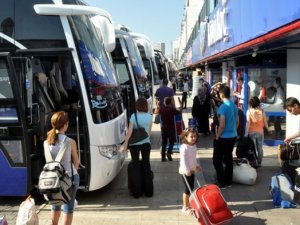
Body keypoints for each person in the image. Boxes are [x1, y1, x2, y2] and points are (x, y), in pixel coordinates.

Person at [44, 111, 80, 225]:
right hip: (69, 178)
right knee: (68, 208)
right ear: (65, 125)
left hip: (53, 180)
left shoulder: (46, 143)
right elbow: (77, 162)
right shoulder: (70, 142)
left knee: (55, 207)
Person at [213, 85, 238, 188]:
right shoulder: (234, 105)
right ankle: (229, 181)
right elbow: (237, 122)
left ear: (221, 95)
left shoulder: (223, 107)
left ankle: (221, 182)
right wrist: (234, 131)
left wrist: (217, 136)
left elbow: (222, 124)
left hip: (223, 137)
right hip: (233, 136)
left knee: (217, 160)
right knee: (228, 158)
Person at [123, 97, 153, 172]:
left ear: (137, 106)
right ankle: (148, 183)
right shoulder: (150, 117)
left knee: (135, 165)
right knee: (146, 165)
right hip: (146, 143)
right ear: (146, 106)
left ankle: (137, 183)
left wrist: (125, 146)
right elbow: (148, 133)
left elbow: (129, 133)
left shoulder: (134, 116)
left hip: (134, 144)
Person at [179, 128, 201, 214]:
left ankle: (187, 204)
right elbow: (183, 160)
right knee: (187, 189)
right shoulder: (184, 147)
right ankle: (185, 207)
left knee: (191, 187)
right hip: (185, 172)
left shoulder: (193, 146)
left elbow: (193, 158)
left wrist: (197, 166)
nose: (194, 138)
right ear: (185, 137)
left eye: (195, 136)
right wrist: (187, 170)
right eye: (191, 137)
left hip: (192, 170)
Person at [244, 96, 269, 166]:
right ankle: (259, 162)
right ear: (258, 103)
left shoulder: (248, 111)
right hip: (260, 132)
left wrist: (245, 134)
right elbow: (265, 122)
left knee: (253, 148)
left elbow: (248, 123)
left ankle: (254, 162)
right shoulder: (262, 111)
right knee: (260, 148)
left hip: (251, 132)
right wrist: (268, 129)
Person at [160, 97, 182, 161]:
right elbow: (179, 111)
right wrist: (180, 103)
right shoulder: (172, 109)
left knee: (164, 142)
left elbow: (156, 111)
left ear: (164, 102)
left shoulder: (162, 109)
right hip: (171, 128)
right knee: (172, 142)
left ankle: (163, 157)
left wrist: (158, 103)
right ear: (170, 103)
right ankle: (169, 153)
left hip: (164, 128)